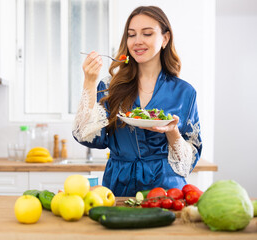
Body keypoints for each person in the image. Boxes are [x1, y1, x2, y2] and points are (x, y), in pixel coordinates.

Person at [73, 6, 202, 197]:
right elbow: (86, 136)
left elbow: (187, 164)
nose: (137, 41)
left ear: (165, 39)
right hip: (119, 186)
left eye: (147, 34)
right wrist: (89, 82)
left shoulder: (184, 92)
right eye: (131, 35)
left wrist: (172, 131)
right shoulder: (109, 87)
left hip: (166, 190)